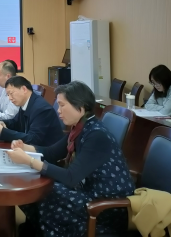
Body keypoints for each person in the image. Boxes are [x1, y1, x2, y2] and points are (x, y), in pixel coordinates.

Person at [9, 81, 135, 236]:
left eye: (62, 105)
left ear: (80, 107)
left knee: (45, 191)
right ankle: (37, 230)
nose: (58, 110)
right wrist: (25, 148)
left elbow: (71, 177)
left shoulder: (96, 135)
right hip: (87, 190)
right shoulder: (80, 128)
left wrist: (29, 161)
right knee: (33, 184)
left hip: (105, 205)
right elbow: (52, 153)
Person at [0, 76, 63, 146]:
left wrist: (3, 131)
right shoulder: (26, 103)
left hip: (44, 152)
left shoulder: (41, 109)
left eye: (11, 93)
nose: (10, 98)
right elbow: (15, 122)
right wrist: (2, 122)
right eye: (8, 95)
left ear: (24, 89)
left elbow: (33, 139)